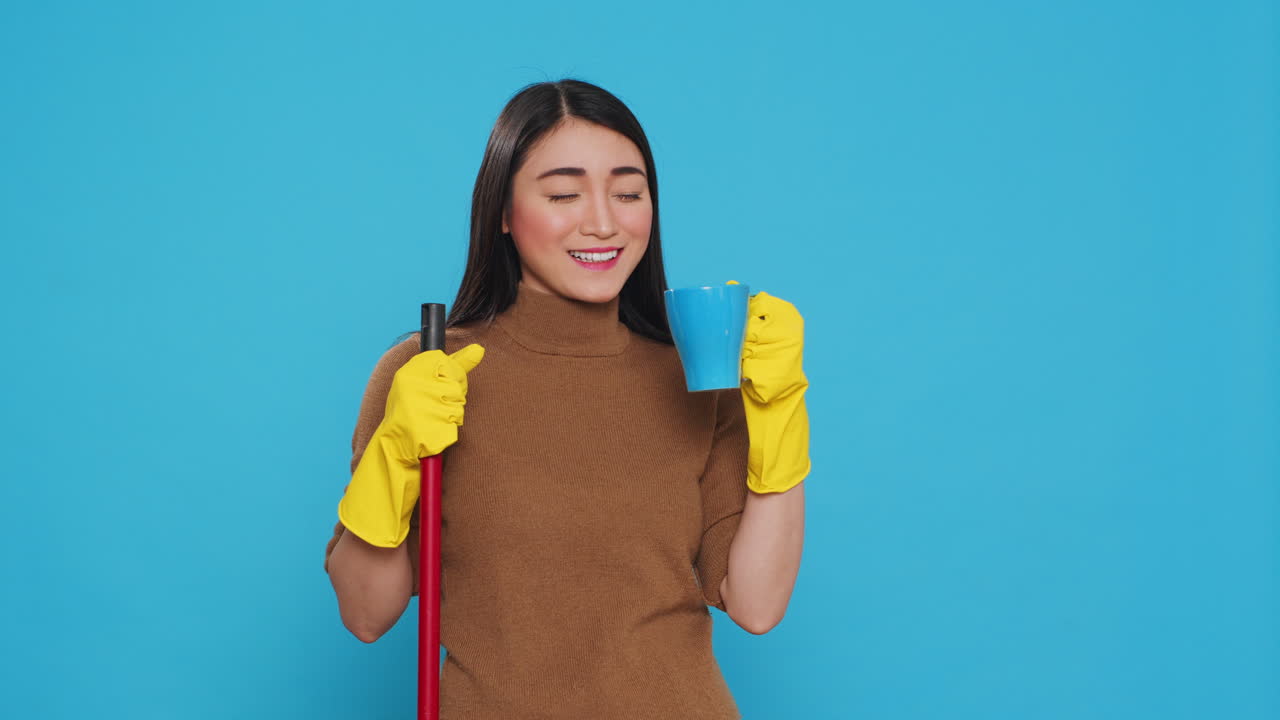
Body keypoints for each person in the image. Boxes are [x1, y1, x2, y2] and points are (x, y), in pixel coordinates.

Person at [324, 78, 810, 719]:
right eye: (563, 194)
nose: (604, 223)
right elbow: (366, 615)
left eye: (629, 193)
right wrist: (394, 458)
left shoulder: (697, 378)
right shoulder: (427, 376)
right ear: (502, 212)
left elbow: (757, 605)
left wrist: (780, 412)